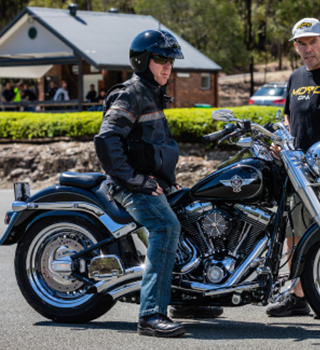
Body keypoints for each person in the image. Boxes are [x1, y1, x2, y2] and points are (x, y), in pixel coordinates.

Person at [95, 29, 191, 337]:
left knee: (195, 210)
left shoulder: (153, 93)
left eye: (170, 61)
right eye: (160, 59)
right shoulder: (131, 93)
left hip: (152, 182)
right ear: (142, 60)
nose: (167, 67)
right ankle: (150, 315)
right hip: (130, 185)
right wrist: (137, 181)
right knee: (166, 227)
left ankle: (190, 298)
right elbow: (108, 140)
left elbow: (151, 145)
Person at [265, 18, 320, 318]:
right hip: (298, 172)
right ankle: (298, 295)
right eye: (301, 43)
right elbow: (289, 118)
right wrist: (281, 141)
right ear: (295, 47)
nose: (308, 48)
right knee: (295, 234)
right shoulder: (294, 79)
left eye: (313, 42)